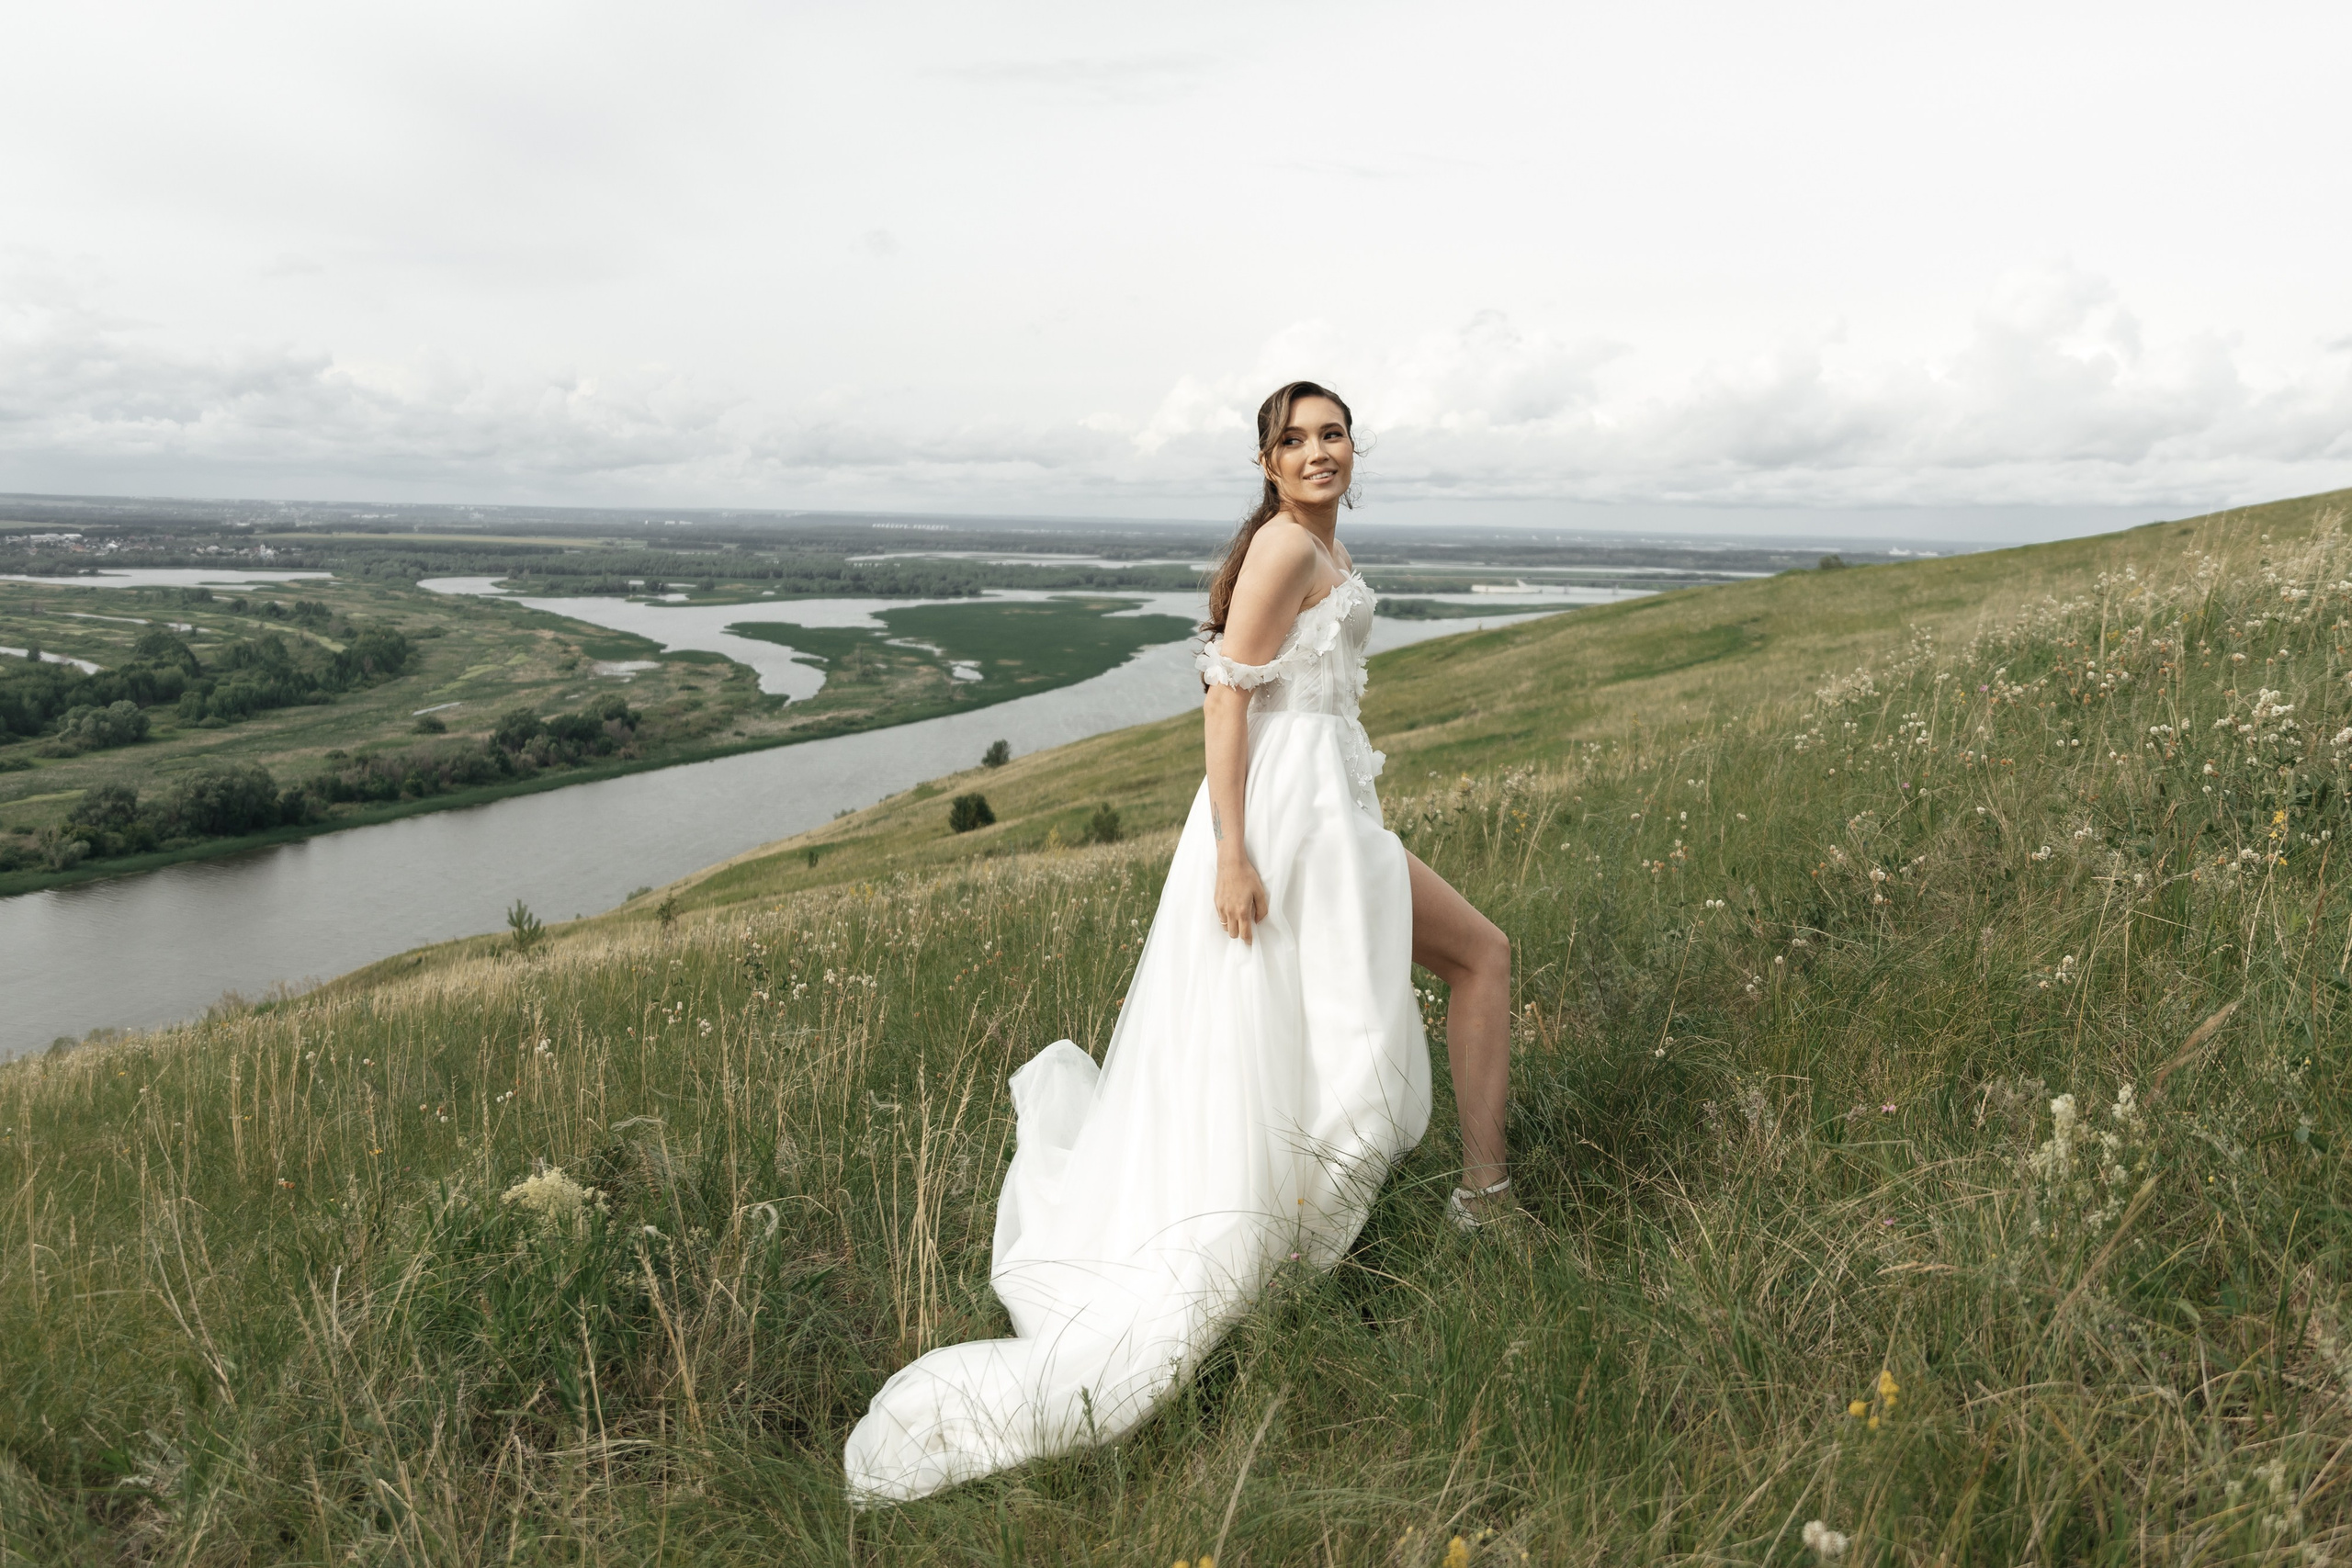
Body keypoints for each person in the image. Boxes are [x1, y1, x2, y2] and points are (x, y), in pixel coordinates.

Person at [842, 380, 1515, 1506]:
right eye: (1293, 439)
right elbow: (1223, 696)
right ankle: (1480, 1204)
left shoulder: (1307, 545)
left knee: (1392, 991)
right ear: (1264, 459)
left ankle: (1454, 1203)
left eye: (1332, 433)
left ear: (1357, 446)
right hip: (1284, 820)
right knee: (1473, 957)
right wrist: (1235, 855)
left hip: (1324, 811)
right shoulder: (1282, 554)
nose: (1317, 451)